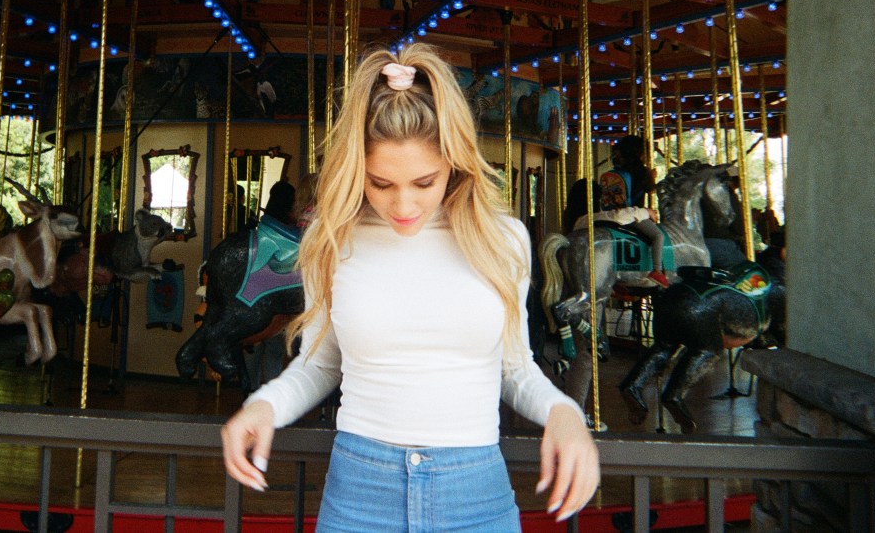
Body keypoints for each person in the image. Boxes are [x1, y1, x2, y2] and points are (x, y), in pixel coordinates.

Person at [221, 44, 600, 529]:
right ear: (358, 171)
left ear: (455, 162)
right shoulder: (331, 239)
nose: (403, 205)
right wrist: (264, 405)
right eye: (381, 183)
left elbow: (514, 368)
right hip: (360, 488)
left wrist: (564, 412)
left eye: (425, 182)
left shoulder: (504, 240)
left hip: (475, 491)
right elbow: (321, 362)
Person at [593, 135, 669, 287]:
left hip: (610, 217)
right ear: (640, 153)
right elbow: (651, 190)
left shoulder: (616, 172)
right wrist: (653, 176)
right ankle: (657, 271)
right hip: (634, 217)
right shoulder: (643, 172)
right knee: (658, 235)